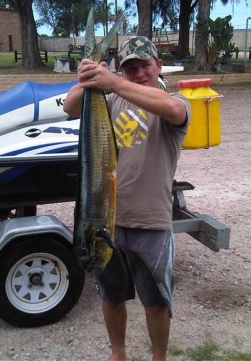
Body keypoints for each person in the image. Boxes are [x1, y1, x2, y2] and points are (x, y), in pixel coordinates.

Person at [63, 36, 191, 361]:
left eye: (144, 65)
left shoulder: (173, 103)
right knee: (111, 295)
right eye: (130, 68)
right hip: (108, 221)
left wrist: (114, 82)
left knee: (156, 300)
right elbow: (70, 106)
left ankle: (158, 357)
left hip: (151, 221)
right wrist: (88, 76)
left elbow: (174, 110)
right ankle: (117, 353)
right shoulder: (113, 102)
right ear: (122, 70)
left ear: (158, 66)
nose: (138, 73)